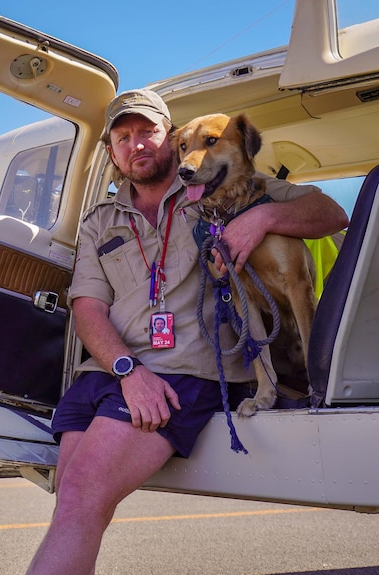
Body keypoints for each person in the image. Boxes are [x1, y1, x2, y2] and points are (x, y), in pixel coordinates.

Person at [25, 89, 349, 575]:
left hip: (182, 371)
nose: (137, 145)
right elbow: (89, 309)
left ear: (169, 138)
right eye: (123, 137)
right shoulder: (100, 223)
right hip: (111, 370)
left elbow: (330, 214)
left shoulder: (217, 193)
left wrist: (262, 218)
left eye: (148, 132)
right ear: (112, 153)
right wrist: (126, 370)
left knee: (81, 492)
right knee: (73, 498)